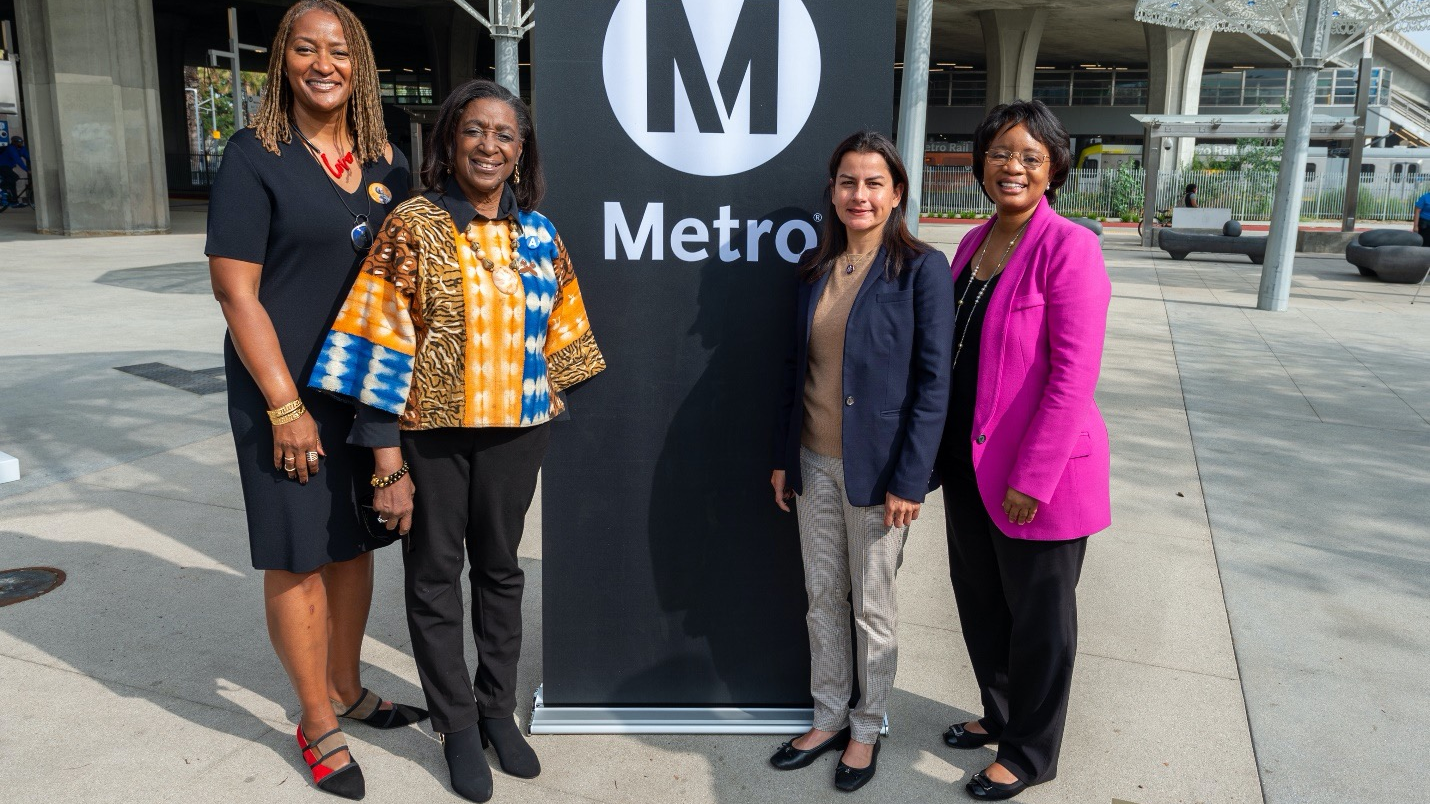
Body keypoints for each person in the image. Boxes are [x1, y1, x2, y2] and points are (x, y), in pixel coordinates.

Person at [309, 78, 605, 803]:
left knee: (501, 572)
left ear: (521, 149)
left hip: (515, 439)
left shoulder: (539, 232)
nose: (490, 146)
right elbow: (377, 337)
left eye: (505, 134)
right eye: (475, 130)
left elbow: (566, 337)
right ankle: (458, 726)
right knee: (436, 578)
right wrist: (386, 461)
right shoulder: (412, 224)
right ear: (450, 140)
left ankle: (497, 710)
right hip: (428, 440)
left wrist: (541, 393)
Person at [205, 1, 426, 799]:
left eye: (338, 50)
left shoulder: (387, 164)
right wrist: (283, 405)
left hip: (360, 396)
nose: (322, 63)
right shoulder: (254, 157)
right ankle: (314, 716)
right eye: (306, 49)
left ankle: (348, 684)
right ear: (283, 62)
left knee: (352, 543)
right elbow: (236, 294)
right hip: (284, 396)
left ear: (359, 64)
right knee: (298, 552)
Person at [769, 130, 955, 792]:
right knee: (823, 596)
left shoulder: (922, 269)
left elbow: (935, 383)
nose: (860, 194)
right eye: (849, 181)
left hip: (879, 474)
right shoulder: (816, 269)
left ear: (897, 193)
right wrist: (783, 457)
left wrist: (912, 478)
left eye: (875, 182)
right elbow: (798, 370)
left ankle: (867, 726)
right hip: (813, 464)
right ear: (834, 190)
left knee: (872, 607)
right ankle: (826, 717)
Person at [935, 99, 1111, 801]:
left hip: (1039, 474)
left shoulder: (1070, 247)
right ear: (981, 163)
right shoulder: (974, 242)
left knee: (1040, 621)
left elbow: (1073, 375)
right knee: (981, 600)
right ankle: (999, 714)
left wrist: (1031, 478)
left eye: (1030, 156)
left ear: (1054, 170)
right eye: (1001, 153)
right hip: (967, 464)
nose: (1013, 166)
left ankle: (1031, 751)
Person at [0, 135, 30, 204]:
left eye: (21, 142)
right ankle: (1, 188)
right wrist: (27, 170)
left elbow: (28, 157)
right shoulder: (11, 148)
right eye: (18, 142)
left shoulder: (22, 148)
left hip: (8, 167)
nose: (20, 144)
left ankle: (14, 202)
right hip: (1, 166)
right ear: (13, 142)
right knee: (15, 177)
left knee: (12, 183)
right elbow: (18, 160)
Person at [1414, 181, 1430, 246]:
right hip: (1424, 224)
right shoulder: (1424, 197)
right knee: (1425, 243)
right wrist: (1415, 226)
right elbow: (1417, 211)